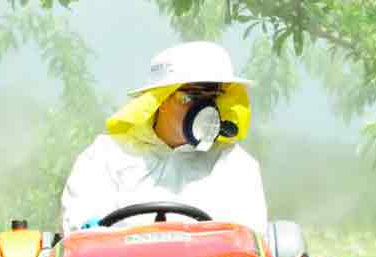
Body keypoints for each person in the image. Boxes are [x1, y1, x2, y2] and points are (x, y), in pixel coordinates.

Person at [60, 41, 268, 235]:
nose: (206, 109)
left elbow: (249, 243)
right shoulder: (104, 157)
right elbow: (81, 237)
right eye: (192, 97)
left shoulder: (235, 165)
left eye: (213, 97)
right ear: (161, 100)